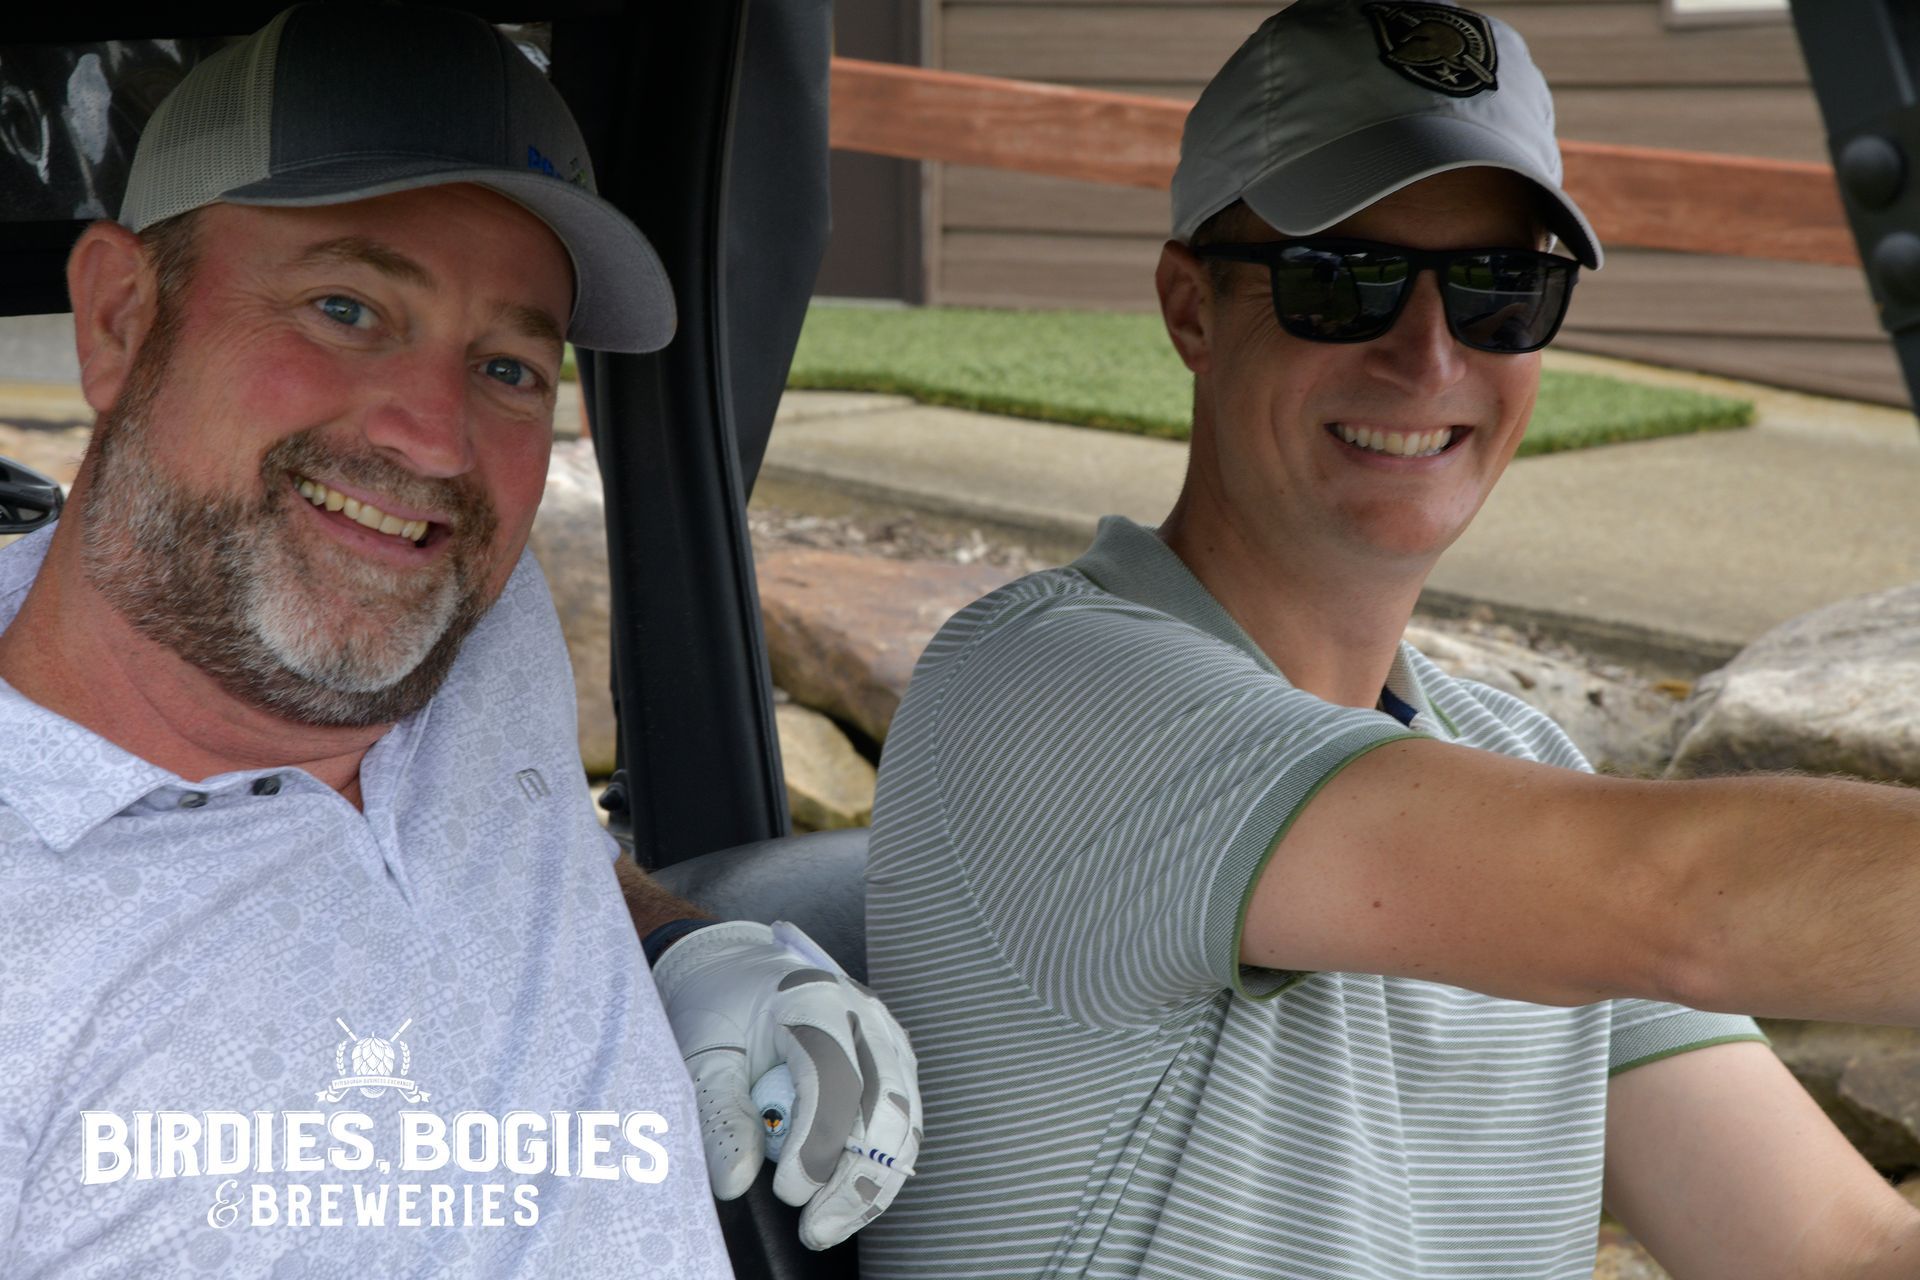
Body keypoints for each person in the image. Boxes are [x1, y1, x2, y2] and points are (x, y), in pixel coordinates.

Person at [863, 3, 1920, 1278]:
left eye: (1499, 288)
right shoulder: (1048, 693)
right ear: (1192, 308)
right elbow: (1679, 896)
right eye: (1341, 280)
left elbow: (1839, 1247)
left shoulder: (1518, 757)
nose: (1427, 356)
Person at [0, 5, 916, 1275]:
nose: (435, 442)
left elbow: (514, 828)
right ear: (119, 319)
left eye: (508, 369)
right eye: (346, 307)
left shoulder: (455, 612)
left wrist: (684, 943)